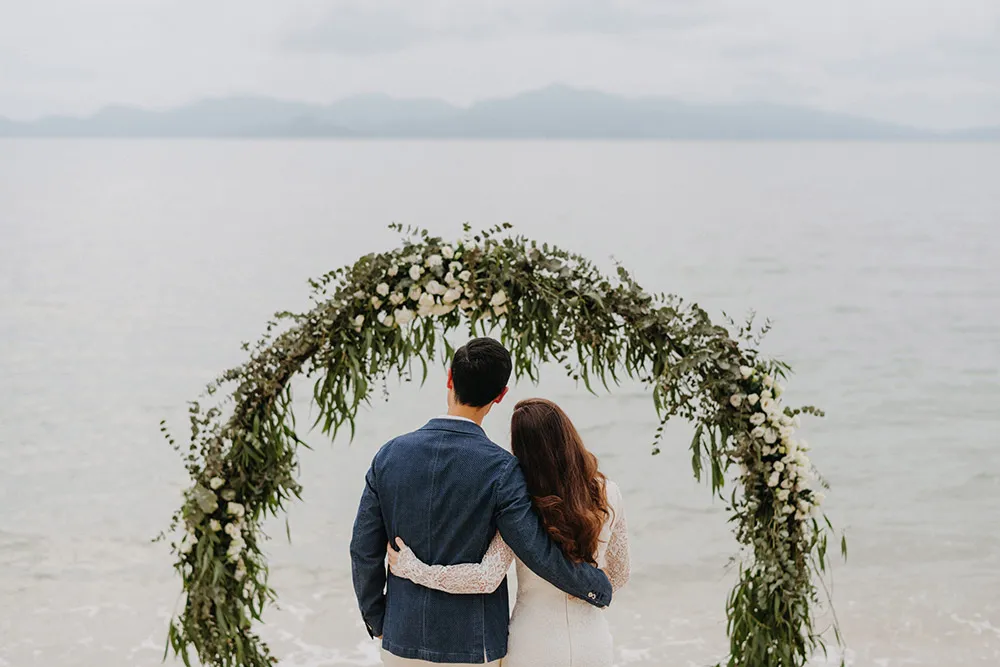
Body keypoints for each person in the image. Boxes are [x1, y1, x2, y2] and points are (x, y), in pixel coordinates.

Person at [350, 337, 612, 666]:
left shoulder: (388, 456)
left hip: (400, 641)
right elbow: (535, 549)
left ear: (450, 378)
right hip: (474, 648)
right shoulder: (502, 469)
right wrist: (594, 587)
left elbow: (363, 550)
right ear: (500, 396)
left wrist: (378, 621)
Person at [389, 397, 630, 667]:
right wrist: (582, 592)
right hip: (592, 643)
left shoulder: (521, 504)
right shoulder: (608, 493)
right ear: (567, 434)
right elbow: (619, 574)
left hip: (534, 644)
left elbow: (485, 577)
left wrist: (414, 568)